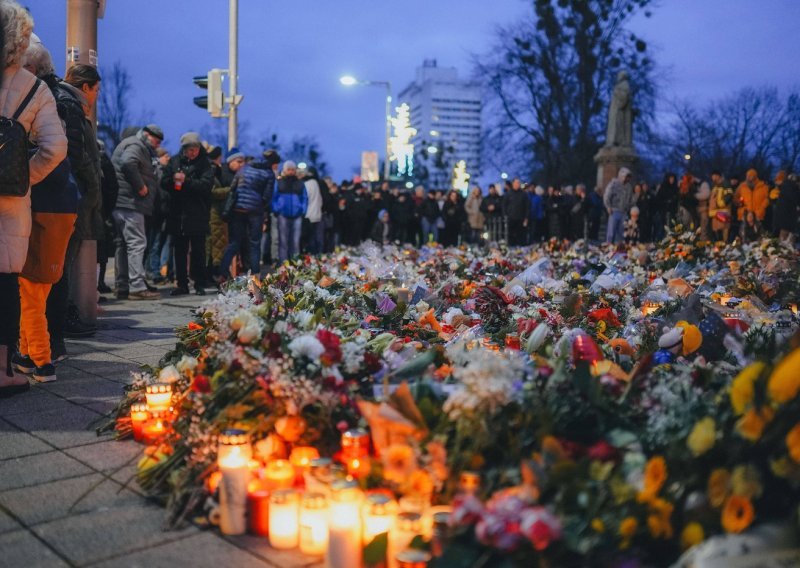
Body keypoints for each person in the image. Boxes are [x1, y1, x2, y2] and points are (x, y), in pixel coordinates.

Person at [0, 0, 67, 393]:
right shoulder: (34, 88)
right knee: (7, 281)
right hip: (9, 203)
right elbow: (55, 148)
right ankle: (4, 368)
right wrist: (25, 178)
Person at [15, 34, 76, 380]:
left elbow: (52, 155)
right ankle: (27, 352)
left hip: (44, 207)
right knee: (35, 286)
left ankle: (42, 360)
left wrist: (21, 176)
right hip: (59, 205)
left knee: (32, 291)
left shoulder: (42, 101)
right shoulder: (54, 101)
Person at [111, 124, 163, 300]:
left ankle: (122, 285)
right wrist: (140, 186)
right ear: (147, 135)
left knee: (123, 244)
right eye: (156, 140)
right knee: (136, 243)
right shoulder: (136, 145)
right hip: (131, 203)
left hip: (121, 202)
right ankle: (137, 286)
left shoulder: (130, 144)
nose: (157, 145)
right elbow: (128, 162)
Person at [161, 132, 214, 295]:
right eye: (189, 149)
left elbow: (206, 186)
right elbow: (164, 182)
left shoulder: (205, 164)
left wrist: (187, 181)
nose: (193, 152)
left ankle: (199, 283)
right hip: (178, 213)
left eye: (195, 149)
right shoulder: (175, 161)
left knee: (198, 251)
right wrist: (172, 180)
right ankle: (181, 283)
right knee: (179, 251)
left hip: (197, 212)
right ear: (184, 149)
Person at [220, 149, 277, 279]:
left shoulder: (245, 168)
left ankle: (222, 271)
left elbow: (233, 188)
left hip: (238, 209)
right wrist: (261, 207)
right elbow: (267, 196)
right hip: (255, 211)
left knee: (234, 242)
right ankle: (255, 274)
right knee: (254, 243)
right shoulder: (268, 173)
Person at [271, 161, 308, 262]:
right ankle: (284, 263)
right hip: (282, 214)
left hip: (297, 215)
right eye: (289, 169)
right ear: (285, 170)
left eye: (293, 169)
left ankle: (295, 263)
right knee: (283, 241)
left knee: (295, 241)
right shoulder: (279, 182)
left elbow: (304, 197)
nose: (291, 171)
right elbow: (273, 197)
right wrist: (276, 209)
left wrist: (302, 210)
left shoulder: (300, 183)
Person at [604, 167, 632, 243]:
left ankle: (621, 248)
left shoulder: (629, 187)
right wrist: (608, 207)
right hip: (614, 211)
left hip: (624, 212)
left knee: (622, 232)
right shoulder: (613, 184)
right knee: (611, 232)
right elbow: (607, 196)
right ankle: (609, 247)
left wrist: (629, 208)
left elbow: (629, 199)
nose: (627, 179)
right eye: (626, 177)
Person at [301, 165, 324, 254]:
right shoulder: (318, 184)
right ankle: (319, 255)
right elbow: (321, 200)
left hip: (309, 215)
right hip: (318, 214)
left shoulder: (307, 184)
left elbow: (305, 199)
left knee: (310, 238)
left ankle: (312, 256)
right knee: (318, 237)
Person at [773, 170, 799, 244]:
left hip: (784, 221)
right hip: (787, 221)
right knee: (785, 243)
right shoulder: (789, 187)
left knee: (783, 243)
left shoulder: (786, 187)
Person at [708, 171, 732, 242]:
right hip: (714, 213)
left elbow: (729, 195)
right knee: (716, 231)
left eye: (714, 176)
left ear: (718, 176)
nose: (713, 178)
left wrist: (721, 203)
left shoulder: (726, 184)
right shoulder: (714, 186)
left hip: (723, 212)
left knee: (724, 230)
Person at [503, 178, 529, 246]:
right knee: (511, 234)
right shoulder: (508, 193)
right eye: (516, 183)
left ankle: (521, 247)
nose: (518, 184)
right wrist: (505, 215)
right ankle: (511, 246)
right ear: (513, 183)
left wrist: (526, 217)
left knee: (521, 234)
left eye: (518, 183)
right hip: (511, 218)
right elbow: (504, 205)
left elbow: (527, 206)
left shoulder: (523, 194)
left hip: (521, 218)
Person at [652, 173, 678, 240]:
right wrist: (666, 202)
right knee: (663, 227)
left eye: (673, 179)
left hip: (673, 211)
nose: (672, 180)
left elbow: (678, 198)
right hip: (663, 210)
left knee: (672, 226)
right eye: (670, 178)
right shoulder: (663, 187)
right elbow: (658, 199)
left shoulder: (675, 188)